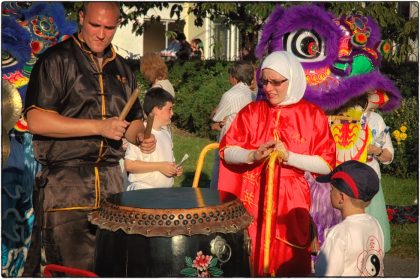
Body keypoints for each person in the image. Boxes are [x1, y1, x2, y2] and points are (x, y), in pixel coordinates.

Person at [23, 2, 156, 275]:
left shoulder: (123, 69)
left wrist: (140, 135)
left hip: (111, 188)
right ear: (81, 18)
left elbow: (131, 122)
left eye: (109, 27)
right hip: (66, 188)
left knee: (112, 270)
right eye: (95, 25)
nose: (101, 34)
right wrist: (99, 126)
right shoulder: (55, 59)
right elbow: (36, 120)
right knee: (70, 272)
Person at [218, 51, 336, 276]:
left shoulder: (312, 115)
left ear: (292, 80)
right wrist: (252, 155)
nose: (268, 88)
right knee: (249, 253)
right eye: (264, 82)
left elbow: (326, 164)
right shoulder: (252, 111)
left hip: (291, 200)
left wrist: (289, 156)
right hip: (253, 194)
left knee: (287, 259)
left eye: (276, 82)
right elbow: (227, 150)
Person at [315, 160, 384, 276]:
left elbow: (326, 274)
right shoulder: (375, 224)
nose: (330, 192)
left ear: (341, 197)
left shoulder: (339, 234)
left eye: (332, 189)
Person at [125, 88, 183, 190]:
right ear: (156, 110)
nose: (172, 113)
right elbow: (129, 165)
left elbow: (167, 163)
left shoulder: (166, 134)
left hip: (164, 194)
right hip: (143, 192)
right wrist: (160, 166)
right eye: (169, 109)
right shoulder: (140, 132)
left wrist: (174, 169)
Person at [209, 61, 255, 189]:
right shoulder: (253, 95)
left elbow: (215, 118)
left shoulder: (230, 95)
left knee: (219, 181)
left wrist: (217, 119)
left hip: (228, 142)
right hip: (248, 144)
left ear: (234, 78)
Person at [364, 90, 394, 253]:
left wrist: (376, 150)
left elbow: (388, 155)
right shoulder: (344, 115)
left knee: (372, 243)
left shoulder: (377, 119)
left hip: (371, 179)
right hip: (348, 180)